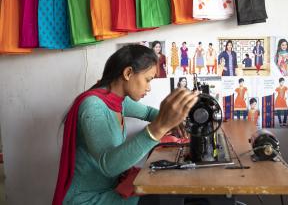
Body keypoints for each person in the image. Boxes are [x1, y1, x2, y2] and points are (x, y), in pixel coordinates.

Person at [52, 45, 198, 205]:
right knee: (161, 198)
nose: (149, 87)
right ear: (128, 73)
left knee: (166, 191)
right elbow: (109, 166)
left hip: (109, 188)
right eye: (148, 80)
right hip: (86, 198)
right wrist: (159, 127)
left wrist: (175, 121)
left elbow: (149, 113)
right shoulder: (93, 106)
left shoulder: (118, 101)